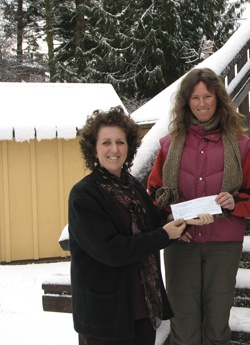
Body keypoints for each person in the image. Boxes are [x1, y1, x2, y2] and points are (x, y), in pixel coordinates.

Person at [68, 106, 211, 345]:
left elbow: (154, 221)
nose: (114, 149)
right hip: (105, 315)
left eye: (121, 142)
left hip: (143, 307)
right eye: (106, 143)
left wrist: (182, 220)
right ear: (93, 148)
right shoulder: (84, 195)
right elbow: (111, 250)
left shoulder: (132, 186)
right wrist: (163, 235)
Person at [147, 67, 250, 345]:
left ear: (218, 99)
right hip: (181, 243)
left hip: (224, 246)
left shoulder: (241, 145)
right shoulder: (169, 145)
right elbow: (154, 192)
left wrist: (233, 202)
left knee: (216, 326)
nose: (202, 104)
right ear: (186, 102)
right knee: (184, 328)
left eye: (208, 96)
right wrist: (172, 224)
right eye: (195, 98)